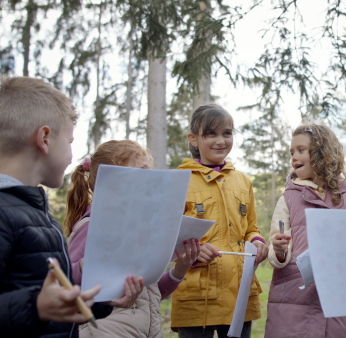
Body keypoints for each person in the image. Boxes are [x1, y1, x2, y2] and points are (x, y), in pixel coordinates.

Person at [0, 76, 111, 337]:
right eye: (70, 141)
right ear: (45, 138)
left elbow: (50, 306)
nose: (72, 155)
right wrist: (35, 306)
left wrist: (99, 302)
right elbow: (37, 305)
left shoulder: (36, 213)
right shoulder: (5, 213)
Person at [64, 139, 203, 337]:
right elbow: (64, 278)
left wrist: (179, 270)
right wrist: (89, 266)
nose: (151, 178)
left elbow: (149, 294)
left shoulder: (141, 228)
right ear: (114, 181)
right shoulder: (92, 225)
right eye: (142, 171)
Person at [170, 103, 268, 338]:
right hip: (196, 296)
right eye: (211, 133)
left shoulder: (243, 181)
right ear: (193, 139)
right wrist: (192, 251)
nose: (220, 140)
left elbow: (250, 228)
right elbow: (166, 234)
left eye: (227, 133)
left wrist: (257, 241)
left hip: (239, 294)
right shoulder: (178, 180)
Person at [265, 123, 346, 337]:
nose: (294, 156)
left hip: (341, 307)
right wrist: (279, 248)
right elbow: (276, 253)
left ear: (323, 152)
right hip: (294, 307)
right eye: (291, 152)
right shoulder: (288, 199)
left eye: (301, 150)